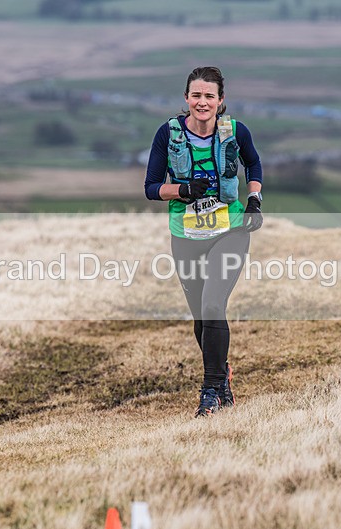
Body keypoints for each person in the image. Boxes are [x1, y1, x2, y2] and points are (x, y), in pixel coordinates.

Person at [144, 66, 263, 417]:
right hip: (187, 235)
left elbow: (254, 164)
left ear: (220, 100)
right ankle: (222, 376)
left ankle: (210, 392)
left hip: (230, 230)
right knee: (200, 316)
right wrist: (181, 190)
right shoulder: (168, 134)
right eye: (196, 95)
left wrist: (254, 199)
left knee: (212, 305)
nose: (202, 102)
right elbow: (151, 187)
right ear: (186, 98)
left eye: (209, 96)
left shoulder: (235, 131)